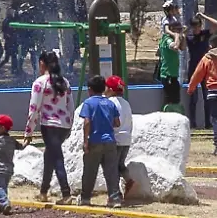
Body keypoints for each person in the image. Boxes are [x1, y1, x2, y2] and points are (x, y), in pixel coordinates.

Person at [25, 49, 74, 202]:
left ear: (41, 63)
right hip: (64, 125)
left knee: (57, 157)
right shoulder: (64, 82)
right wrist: (70, 125)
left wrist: (29, 131)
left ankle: (66, 193)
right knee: (50, 157)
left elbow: (34, 108)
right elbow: (70, 106)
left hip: (49, 125)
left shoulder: (40, 83)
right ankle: (43, 192)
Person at [77, 75, 124, 207]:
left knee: (90, 172)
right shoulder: (110, 103)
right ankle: (115, 199)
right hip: (110, 141)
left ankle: (85, 198)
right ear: (104, 88)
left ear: (90, 89)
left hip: (95, 140)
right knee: (111, 172)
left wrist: (85, 141)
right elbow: (117, 123)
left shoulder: (89, 103)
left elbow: (87, 122)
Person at [186, 12, 217, 124]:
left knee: (207, 97)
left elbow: (216, 24)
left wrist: (203, 16)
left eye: (198, 26)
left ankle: (208, 123)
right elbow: (181, 38)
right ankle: (193, 123)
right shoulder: (189, 37)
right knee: (193, 98)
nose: (196, 28)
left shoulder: (205, 34)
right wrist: (185, 30)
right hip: (194, 70)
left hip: (206, 70)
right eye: (194, 26)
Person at [105, 74, 135, 199]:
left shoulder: (110, 103)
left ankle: (115, 193)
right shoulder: (126, 103)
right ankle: (129, 180)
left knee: (112, 168)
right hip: (126, 139)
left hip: (116, 139)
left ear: (111, 90)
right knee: (120, 164)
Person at [156, 1, 184, 110]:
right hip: (167, 75)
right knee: (169, 99)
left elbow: (182, 48)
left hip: (174, 75)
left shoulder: (175, 19)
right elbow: (174, 45)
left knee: (175, 98)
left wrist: (182, 36)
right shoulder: (167, 38)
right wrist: (176, 35)